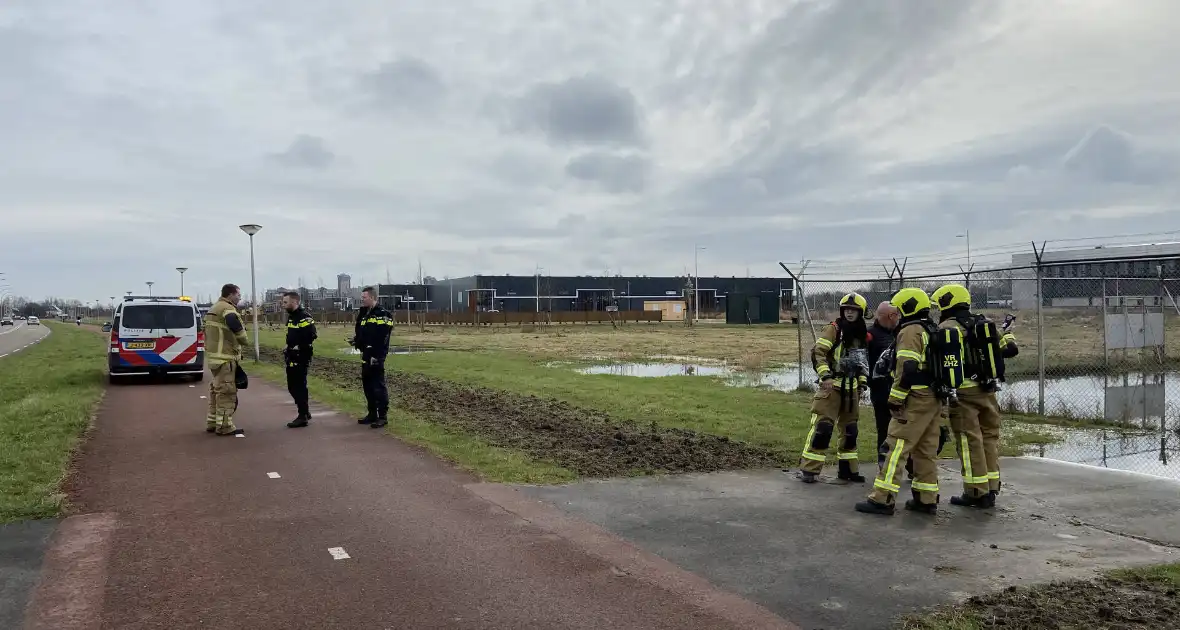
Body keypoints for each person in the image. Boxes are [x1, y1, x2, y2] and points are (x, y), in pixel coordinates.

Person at [856, 287, 947, 516]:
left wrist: (896, 398)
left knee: (894, 447)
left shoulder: (911, 331)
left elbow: (907, 367)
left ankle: (882, 498)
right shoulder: (931, 328)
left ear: (907, 307)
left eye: (900, 308)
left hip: (914, 398)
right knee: (925, 450)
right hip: (933, 397)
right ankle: (926, 499)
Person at [931, 283, 1020, 504]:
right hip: (988, 391)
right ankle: (991, 486)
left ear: (946, 304)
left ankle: (975, 492)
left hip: (962, 393)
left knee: (969, 441)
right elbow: (1009, 350)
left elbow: (940, 362)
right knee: (989, 438)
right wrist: (1008, 334)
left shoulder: (947, 328)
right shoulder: (984, 323)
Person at [799, 292, 870, 484]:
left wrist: (862, 383)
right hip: (831, 388)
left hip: (852, 389)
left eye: (853, 310)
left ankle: (848, 470)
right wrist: (826, 376)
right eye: (846, 309)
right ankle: (809, 469)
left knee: (850, 431)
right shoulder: (834, 329)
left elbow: (862, 361)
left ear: (860, 313)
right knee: (823, 428)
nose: (849, 313)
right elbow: (818, 352)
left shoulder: (862, 334)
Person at [203, 283, 249, 436]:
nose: (239, 297)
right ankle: (224, 426)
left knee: (216, 391)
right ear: (230, 294)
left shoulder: (213, 308)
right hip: (225, 358)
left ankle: (212, 422)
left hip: (215, 357)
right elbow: (233, 322)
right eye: (238, 294)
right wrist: (243, 339)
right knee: (227, 392)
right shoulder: (227, 308)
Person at [351, 286, 393, 429]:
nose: (362, 299)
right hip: (366, 355)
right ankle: (372, 414)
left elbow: (382, 336)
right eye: (362, 297)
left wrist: (377, 355)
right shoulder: (364, 314)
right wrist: (357, 341)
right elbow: (363, 333)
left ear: (373, 297)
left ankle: (382, 416)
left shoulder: (383, 314)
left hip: (376, 356)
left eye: (364, 297)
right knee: (367, 386)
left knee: (378, 386)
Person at [866, 302, 899, 467]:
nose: (898, 319)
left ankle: (909, 465)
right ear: (890, 316)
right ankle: (884, 463)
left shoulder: (898, 333)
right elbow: (864, 362)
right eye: (896, 315)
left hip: (900, 388)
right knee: (885, 428)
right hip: (881, 390)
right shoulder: (870, 335)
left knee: (904, 427)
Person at [281, 291, 318, 429]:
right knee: (292, 386)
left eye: (285, 302)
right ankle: (305, 411)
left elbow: (311, 335)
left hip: (301, 356)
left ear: (295, 302)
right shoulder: (292, 317)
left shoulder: (304, 317)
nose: (283, 305)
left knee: (298, 386)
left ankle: (302, 416)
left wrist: (298, 346)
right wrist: (288, 345)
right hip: (291, 355)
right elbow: (291, 335)